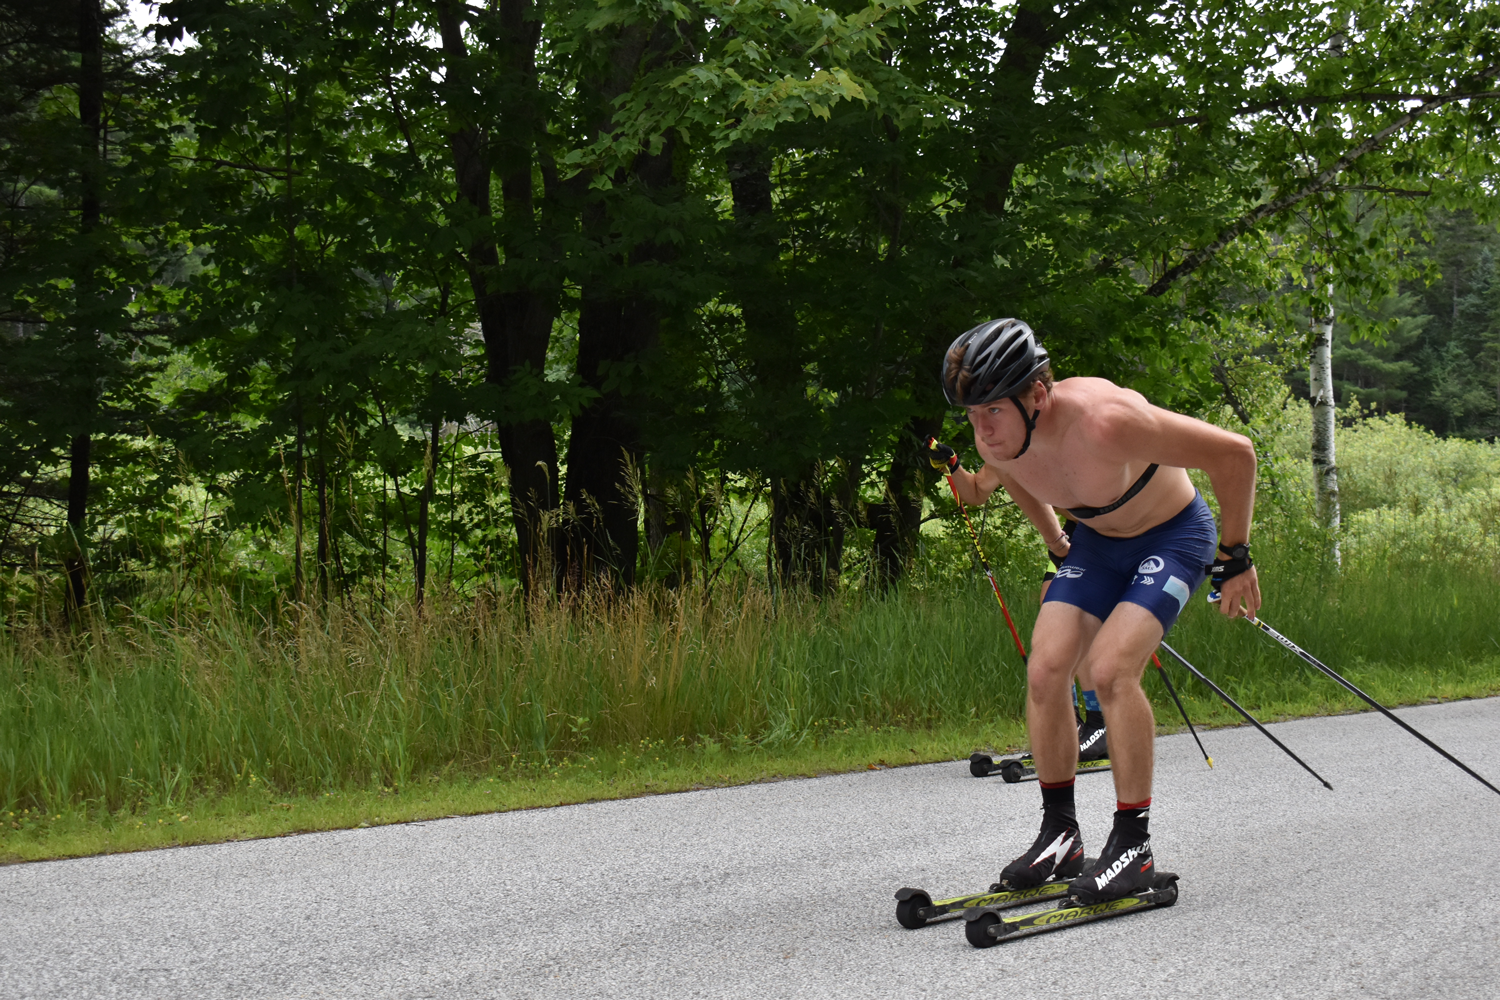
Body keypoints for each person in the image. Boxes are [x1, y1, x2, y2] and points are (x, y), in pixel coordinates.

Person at [927, 317, 1260, 903]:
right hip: (1096, 545)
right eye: (972, 416)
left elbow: (1235, 455)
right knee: (1046, 668)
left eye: (993, 412)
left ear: (1037, 393)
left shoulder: (1108, 422)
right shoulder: (994, 435)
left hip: (1172, 536)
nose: (982, 430)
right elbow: (1004, 479)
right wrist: (1059, 546)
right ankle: (1061, 835)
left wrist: (1235, 558)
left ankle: (1133, 843)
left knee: (1109, 670)